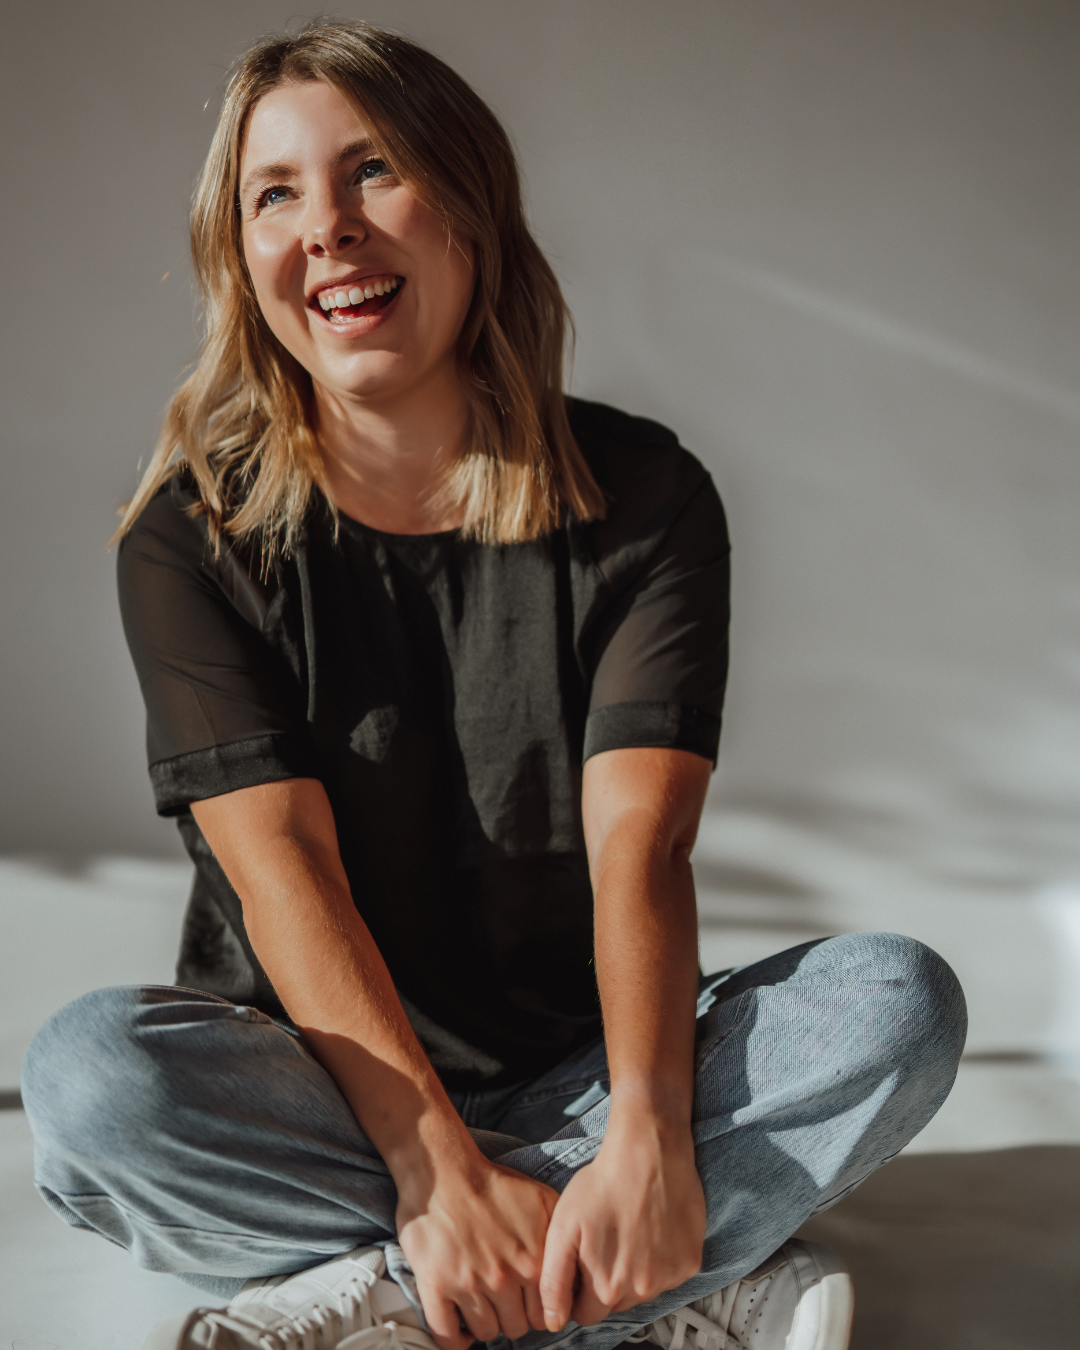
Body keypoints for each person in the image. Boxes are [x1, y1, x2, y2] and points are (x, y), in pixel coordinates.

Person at [21, 19, 966, 1350]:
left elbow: (642, 840)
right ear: (244, 258)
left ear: (470, 206)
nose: (329, 228)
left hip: (590, 1058)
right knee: (93, 1085)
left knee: (896, 1002)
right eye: (275, 194)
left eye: (375, 171)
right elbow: (283, 869)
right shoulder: (193, 535)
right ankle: (682, 1278)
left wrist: (645, 1125)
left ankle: (380, 1299)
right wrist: (431, 1165)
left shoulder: (647, 498)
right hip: (322, 1084)